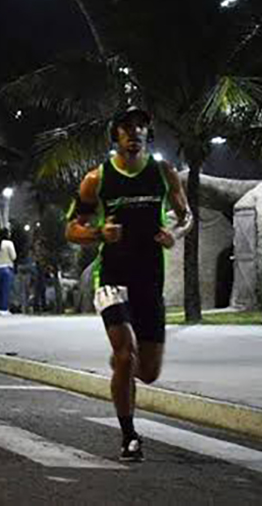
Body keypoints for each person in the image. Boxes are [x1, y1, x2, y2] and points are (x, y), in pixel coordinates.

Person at [66, 106, 192, 462]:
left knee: (148, 372)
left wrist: (175, 233)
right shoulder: (97, 179)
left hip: (149, 280)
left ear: (147, 135)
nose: (134, 133)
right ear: (115, 135)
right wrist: (98, 233)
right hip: (112, 279)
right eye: (126, 127)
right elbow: (72, 229)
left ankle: (123, 366)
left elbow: (187, 217)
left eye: (140, 127)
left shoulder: (164, 174)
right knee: (126, 353)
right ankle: (129, 436)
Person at [0, 228, 17, 315]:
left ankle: (0, 307)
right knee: (6, 290)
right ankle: (4, 308)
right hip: (7, 268)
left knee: (0, 289)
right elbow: (14, 256)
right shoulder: (9, 243)